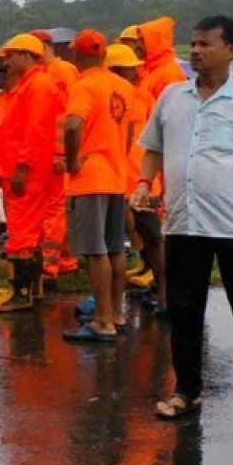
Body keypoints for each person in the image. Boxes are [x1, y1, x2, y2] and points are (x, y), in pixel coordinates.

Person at [135, 16, 233, 433]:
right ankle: (186, 390)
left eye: (205, 44)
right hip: (184, 223)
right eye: (193, 44)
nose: (196, 51)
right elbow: (152, 146)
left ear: (231, 50)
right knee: (184, 311)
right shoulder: (171, 97)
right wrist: (144, 182)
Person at [59, 31, 135, 342]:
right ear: (104, 55)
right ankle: (116, 314)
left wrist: (73, 159)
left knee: (95, 251)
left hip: (90, 178)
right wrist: (118, 158)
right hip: (116, 175)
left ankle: (101, 321)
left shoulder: (84, 85)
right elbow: (129, 132)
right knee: (116, 247)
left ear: (76, 56)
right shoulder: (124, 87)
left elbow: (73, 124)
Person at [0, 33, 63, 312]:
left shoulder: (39, 86)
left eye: (11, 55)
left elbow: (35, 132)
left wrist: (21, 168)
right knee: (24, 231)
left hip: (27, 173)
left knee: (21, 233)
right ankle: (32, 290)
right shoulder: (27, 87)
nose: (7, 61)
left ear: (27, 55)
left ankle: (21, 294)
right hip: (20, 170)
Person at [109, 44, 167, 315]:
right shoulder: (136, 95)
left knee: (152, 239)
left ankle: (165, 296)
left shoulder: (132, 97)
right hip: (135, 179)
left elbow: (127, 141)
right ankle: (159, 291)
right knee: (145, 238)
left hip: (136, 181)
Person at [33, 29, 80, 279]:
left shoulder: (61, 71)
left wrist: (63, 153)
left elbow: (71, 115)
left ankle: (51, 265)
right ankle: (64, 259)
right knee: (56, 208)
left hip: (59, 153)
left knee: (56, 208)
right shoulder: (43, 74)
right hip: (48, 153)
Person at [137, 17, 189, 100]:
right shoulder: (150, 70)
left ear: (155, 42)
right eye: (137, 40)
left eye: (142, 40)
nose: (137, 45)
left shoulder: (170, 74)